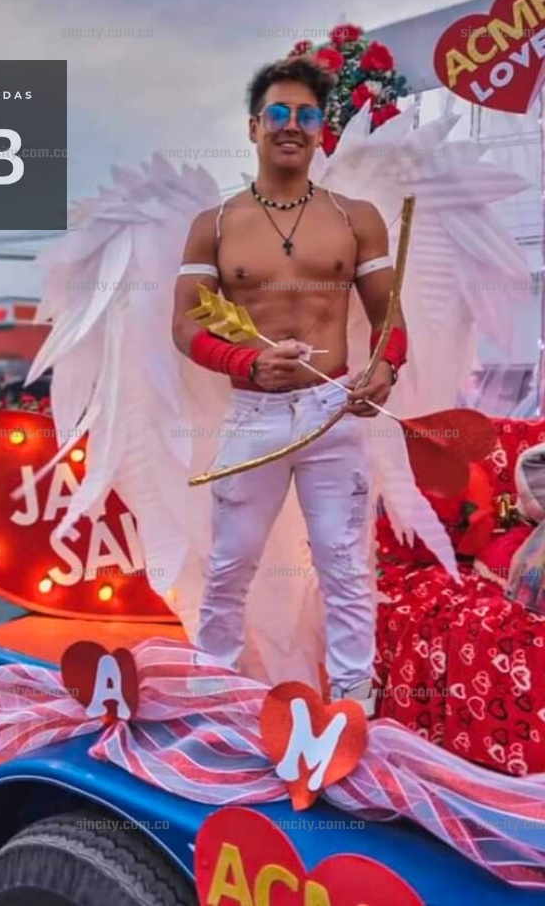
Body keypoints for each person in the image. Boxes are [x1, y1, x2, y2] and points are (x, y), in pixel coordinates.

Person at [171, 55, 407, 715]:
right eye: (278, 112)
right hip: (255, 415)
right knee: (229, 566)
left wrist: (386, 366)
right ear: (254, 126)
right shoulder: (215, 224)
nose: (292, 125)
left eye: (306, 115)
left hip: (335, 410)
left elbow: (390, 318)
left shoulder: (357, 218)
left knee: (346, 568)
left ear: (321, 131)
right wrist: (245, 364)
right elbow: (185, 327)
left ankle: (355, 711)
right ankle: (213, 699)